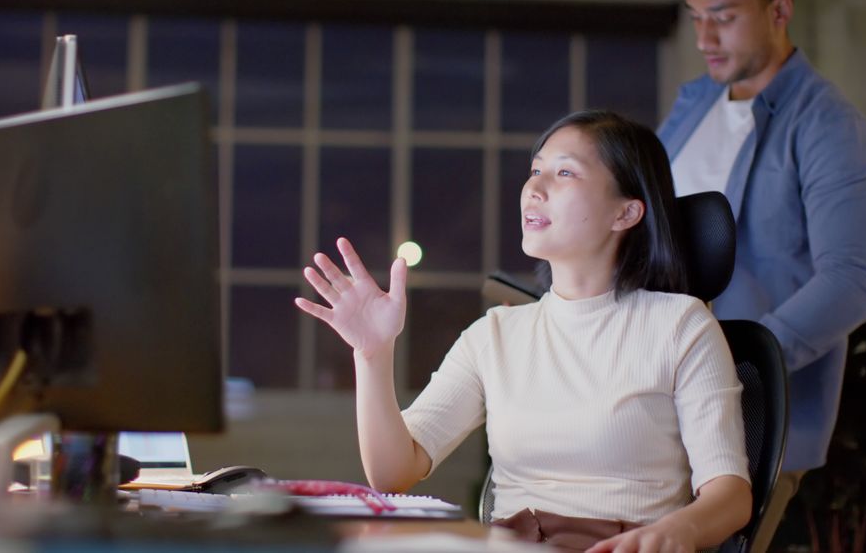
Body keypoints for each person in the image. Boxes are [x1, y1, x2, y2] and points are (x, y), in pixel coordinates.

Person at [296, 110, 752, 552]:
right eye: (535, 171)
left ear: (626, 213)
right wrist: (373, 354)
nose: (534, 187)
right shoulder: (493, 334)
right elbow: (394, 473)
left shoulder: (680, 325)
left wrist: (679, 532)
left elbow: (729, 494)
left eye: (565, 173)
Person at [657, 0, 866, 550]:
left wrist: (734, 366)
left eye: (723, 17)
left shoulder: (831, 129)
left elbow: (853, 282)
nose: (703, 38)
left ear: (780, 11)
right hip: (657, 415)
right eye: (695, 18)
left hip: (749, 430)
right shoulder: (696, 105)